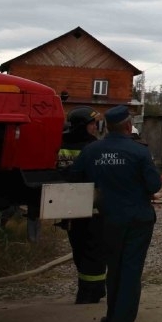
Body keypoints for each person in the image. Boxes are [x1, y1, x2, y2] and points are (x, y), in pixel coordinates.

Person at [67, 105, 161, 322]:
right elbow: (154, 186)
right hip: (137, 219)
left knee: (114, 267)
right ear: (128, 126)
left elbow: (74, 176)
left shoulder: (92, 150)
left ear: (106, 126)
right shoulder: (139, 152)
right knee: (130, 270)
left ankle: (112, 316)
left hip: (107, 218)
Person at [57, 108, 107, 304]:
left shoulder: (59, 143)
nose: (95, 127)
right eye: (92, 123)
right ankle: (91, 292)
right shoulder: (95, 148)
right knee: (94, 251)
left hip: (68, 208)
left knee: (79, 248)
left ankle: (88, 289)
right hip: (92, 207)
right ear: (82, 125)